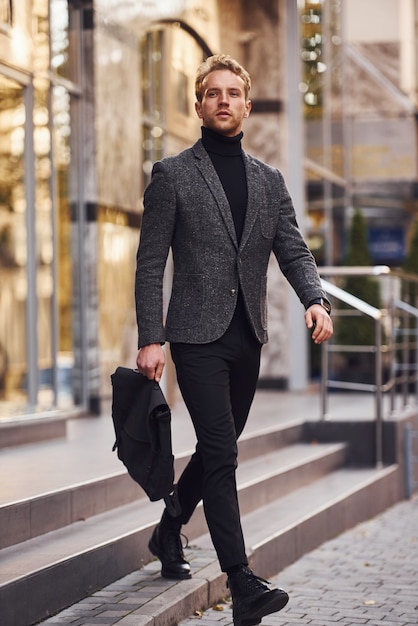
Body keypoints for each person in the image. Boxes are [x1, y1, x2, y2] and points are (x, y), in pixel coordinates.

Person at [135, 53, 333, 626]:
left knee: (218, 451)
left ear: (247, 105)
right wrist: (153, 337)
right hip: (194, 339)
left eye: (233, 93)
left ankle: (170, 529)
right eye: (212, 93)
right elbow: (151, 265)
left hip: (247, 337)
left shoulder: (269, 182)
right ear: (198, 105)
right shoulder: (171, 175)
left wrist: (313, 299)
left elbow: (292, 249)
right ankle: (241, 582)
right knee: (222, 451)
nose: (223, 100)